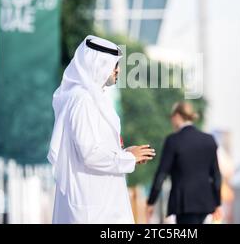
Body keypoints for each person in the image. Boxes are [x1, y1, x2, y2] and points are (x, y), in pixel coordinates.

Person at [48, 35, 156, 224]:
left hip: (99, 202)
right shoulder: (82, 100)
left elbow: (95, 145)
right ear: (99, 64)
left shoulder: (91, 98)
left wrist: (124, 153)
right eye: (115, 65)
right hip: (91, 208)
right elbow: (89, 153)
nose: (118, 71)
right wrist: (127, 158)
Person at [146, 102, 221, 224]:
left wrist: (151, 201)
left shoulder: (173, 141)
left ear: (177, 116)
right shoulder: (209, 140)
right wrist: (217, 203)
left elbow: (161, 174)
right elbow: (216, 175)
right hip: (205, 202)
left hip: (183, 203)